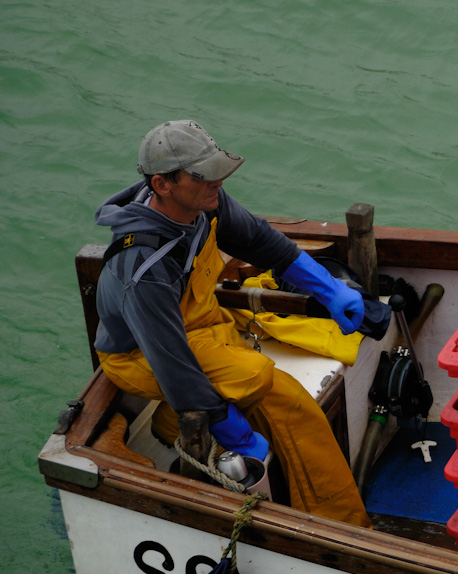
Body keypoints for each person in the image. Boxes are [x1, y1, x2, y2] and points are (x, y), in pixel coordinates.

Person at [93, 119, 372, 527]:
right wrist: (226, 423)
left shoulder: (202, 203)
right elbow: (171, 359)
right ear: (162, 184)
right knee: (271, 387)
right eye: (203, 175)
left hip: (203, 328)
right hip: (144, 355)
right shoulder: (143, 266)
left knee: (265, 389)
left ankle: (168, 421)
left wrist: (328, 289)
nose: (217, 183)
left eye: (218, 171)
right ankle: (337, 525)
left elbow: (259, 239)